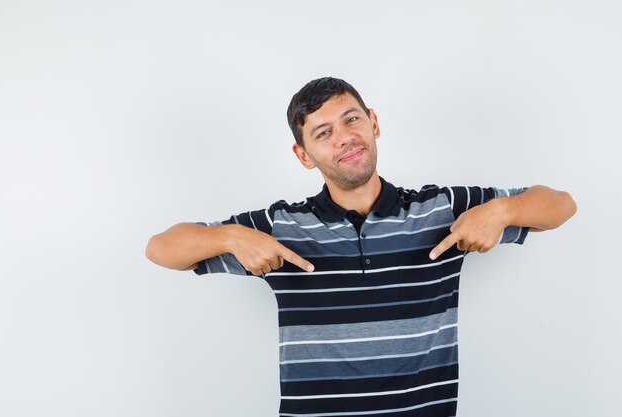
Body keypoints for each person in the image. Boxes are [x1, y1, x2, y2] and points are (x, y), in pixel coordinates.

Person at [146, 77, 576, 417]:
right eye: (324, 132)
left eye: (352, 120)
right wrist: (230, 236)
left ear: (374, 122)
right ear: (304, 155)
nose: (345, 138)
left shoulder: (440, 210)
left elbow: (561, 205)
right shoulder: (280, 227)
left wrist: (501, 211)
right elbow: (161, 250)